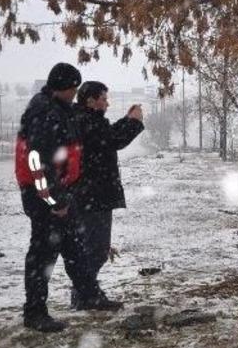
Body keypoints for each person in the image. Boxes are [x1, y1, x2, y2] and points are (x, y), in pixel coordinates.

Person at [14, 63, 83, 332]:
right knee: (42, 254)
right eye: (72, 89)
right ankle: (35, 312)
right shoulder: (44, 113)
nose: (74, 95)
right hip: (41, 194)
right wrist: (55, 201)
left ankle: (86, 293)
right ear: (61, 88)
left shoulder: (54, 109)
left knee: (66, 247)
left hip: (50, 190)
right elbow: (39, 160)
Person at [68, 81, 144, 310]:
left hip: (91, 194)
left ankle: (85, 295)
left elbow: (108, 135)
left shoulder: (84, 119)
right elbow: (112, 140)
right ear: (90, 100)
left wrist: (128, 121)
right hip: (92, 195)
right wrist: (133, 122)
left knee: (93, 248)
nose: (107, 103)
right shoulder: (84, 121)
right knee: (96, 249)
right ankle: (85, 296)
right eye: (103, 99)